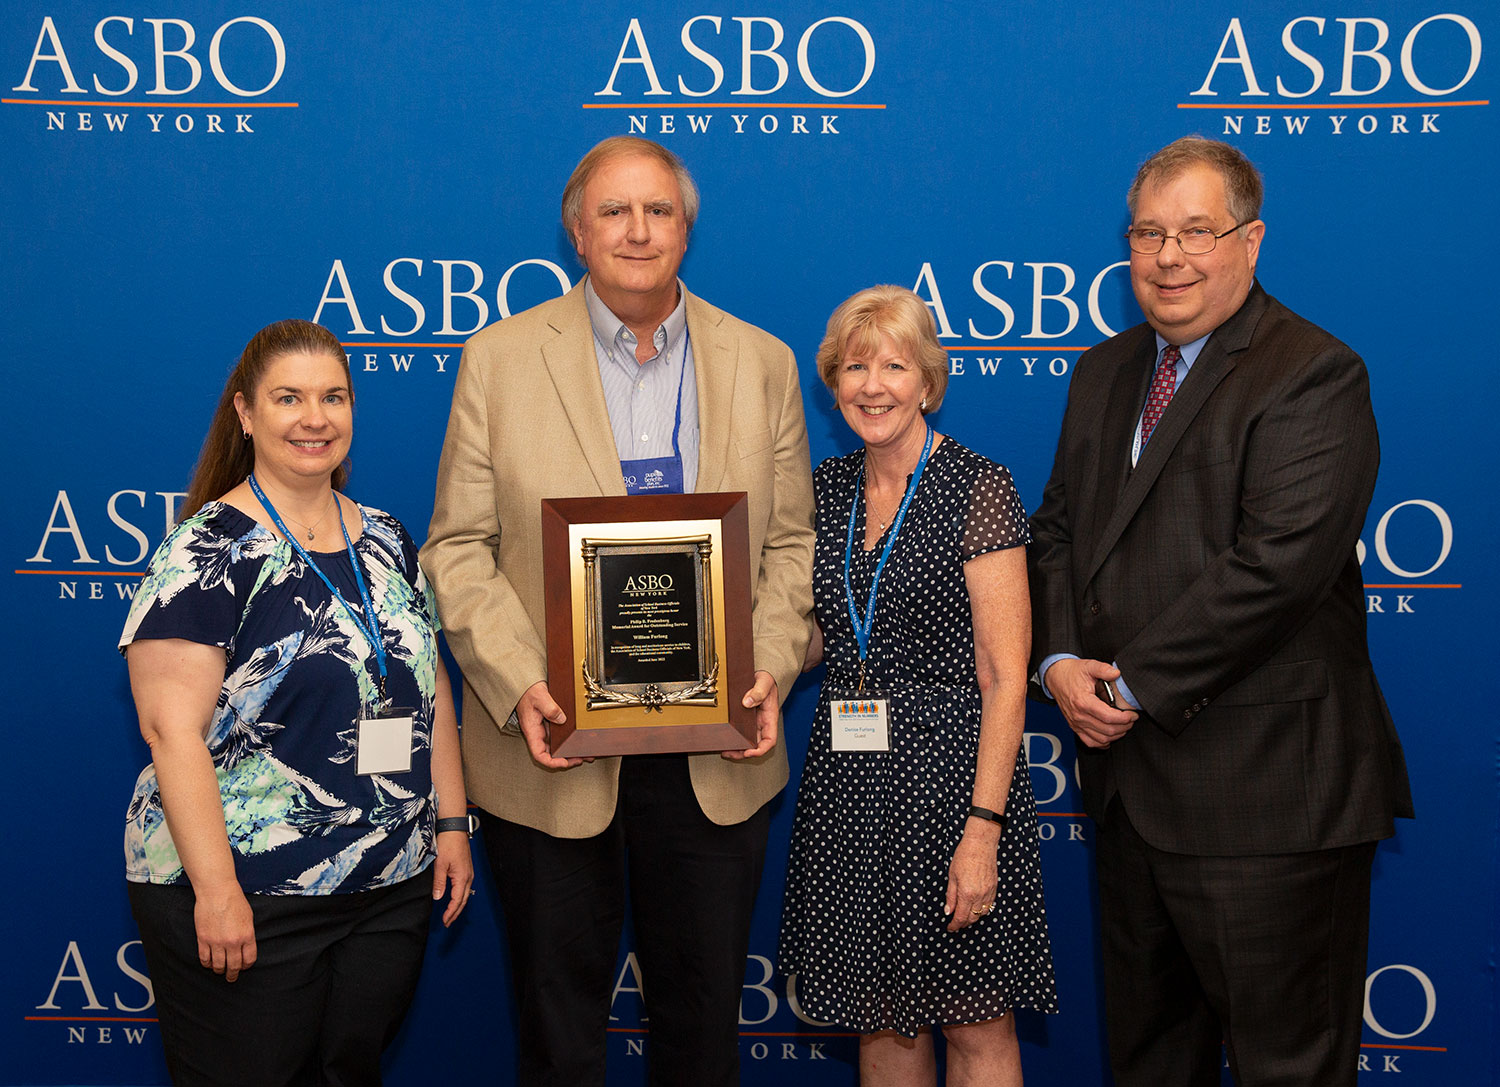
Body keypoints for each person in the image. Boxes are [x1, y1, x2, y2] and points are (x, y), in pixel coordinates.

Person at [420, 136, 815, 1086]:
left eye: (660, 211)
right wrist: (523, 686)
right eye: (614, 211)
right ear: (576, 228)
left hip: (717, 756)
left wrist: (766, 667)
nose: (638, 231)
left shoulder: (762, 361)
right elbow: (456, 548)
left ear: (687, 227)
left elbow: (790, 546)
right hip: (549, 754)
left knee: (702, 1035)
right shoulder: (499, 358)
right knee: (557, 1039)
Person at [1028, 137, 1414, 1086]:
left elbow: (1275, 569)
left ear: (1251, 241)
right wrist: (1061, 661)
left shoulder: (1314, 372)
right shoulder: (1104, 372)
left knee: (1288, 1067)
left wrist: (1130, 681)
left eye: (1197, 232)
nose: (1168, 257)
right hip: (1129, 795)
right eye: (1149, 233)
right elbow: (1059, 534)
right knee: (1152, 1064)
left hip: (1269, 800)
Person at [120, 319, 473, 1086]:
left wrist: (450, 823)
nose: (315, 417)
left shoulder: (386, 537)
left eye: (333, 397)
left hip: (387, 884)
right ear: (246, 413)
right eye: (290, 398)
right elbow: (169, 728)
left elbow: (431, 686)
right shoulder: (207, 549)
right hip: (245, 888)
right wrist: (216, 892)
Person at [779, 285, 1057, 1086]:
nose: (874, 385)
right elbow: (823, 633)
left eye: (895, 365)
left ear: (928, 383)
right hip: (850, 789)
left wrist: (984, 828)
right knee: (881, 1028)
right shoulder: (826, 490)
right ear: (833, 384)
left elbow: (1007, 676)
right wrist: (737, 668)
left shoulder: (978, 486)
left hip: (951, 790)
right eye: (856, 366)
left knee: (976, 1024)